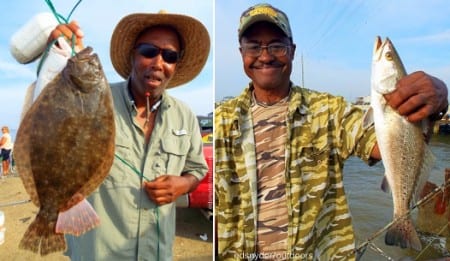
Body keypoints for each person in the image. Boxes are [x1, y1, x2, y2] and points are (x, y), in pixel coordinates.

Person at [214, 3, 449, 260]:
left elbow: (386, 144)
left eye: (277, 45)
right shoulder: (221, 121)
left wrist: (435, 104)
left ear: (292, 51)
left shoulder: (330, 111)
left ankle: (400, 217)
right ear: (241, 53)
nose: (266, 55)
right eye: (254, 46)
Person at [48, 10, 210, 261]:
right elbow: (55, 119)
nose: (158, 63)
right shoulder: (93, 97)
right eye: (148, 51)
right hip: (97, 252)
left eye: (169, 56)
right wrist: (62, 52)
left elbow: (197, 169)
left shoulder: (185, 115)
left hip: (157, 253)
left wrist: (184, 184)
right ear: (132, 55)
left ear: (175, 64)